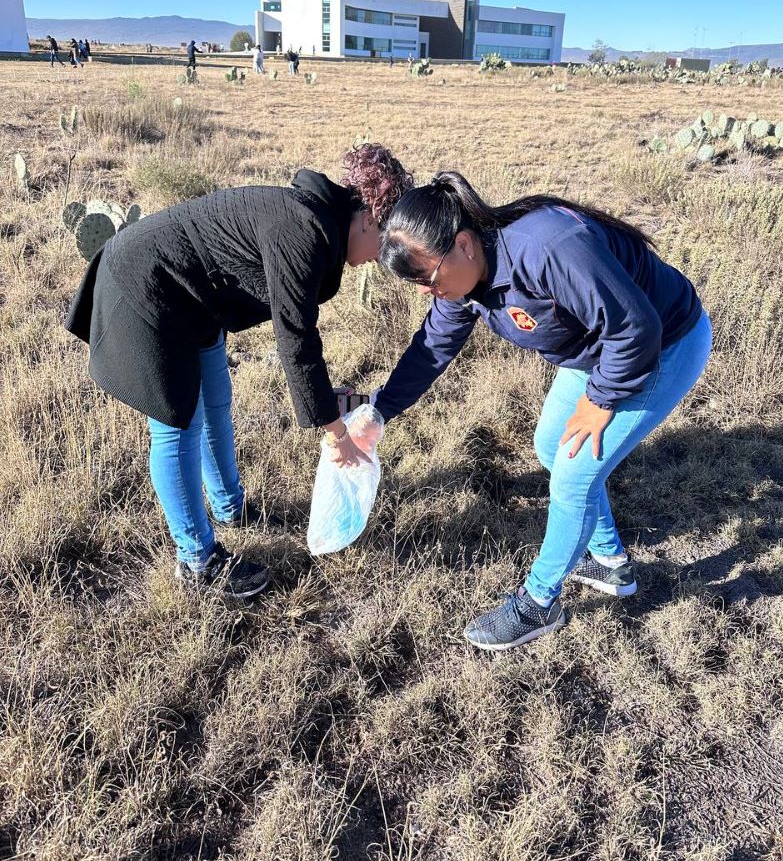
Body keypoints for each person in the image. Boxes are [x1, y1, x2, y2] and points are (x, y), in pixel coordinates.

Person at [374, 172, 711, 651]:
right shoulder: (463, 285)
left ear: (465, 245)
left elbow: (635, 329)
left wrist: (600, 401)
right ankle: (609, 562)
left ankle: (538, 604)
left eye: (429, 278)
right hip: (600, 353)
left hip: (660, 345)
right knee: (551, 446)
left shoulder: (549, 247)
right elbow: (433, 345)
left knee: (573, 476)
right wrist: (381, 411)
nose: (429, 292)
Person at [65, 145, 412, 600]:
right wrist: (334, 432)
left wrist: (333, 408)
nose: (381, 258)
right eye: (386, 242)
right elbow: (297, 340)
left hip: (197, 298)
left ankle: (230, 507)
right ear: (367, 216)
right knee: (177, 425)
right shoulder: (304, 230)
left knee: (215, 402)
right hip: (146, 287)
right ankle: (196, 560)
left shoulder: (320, 222)